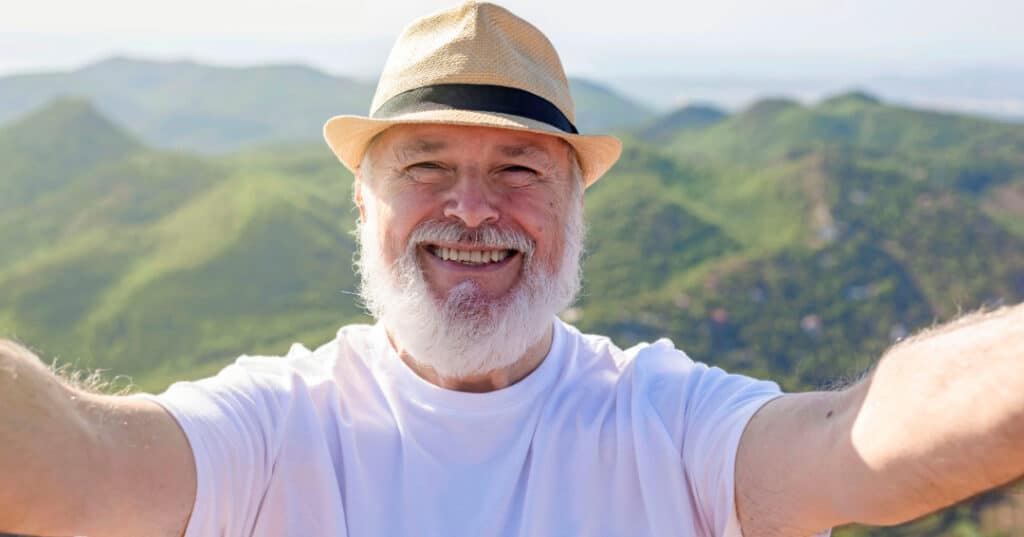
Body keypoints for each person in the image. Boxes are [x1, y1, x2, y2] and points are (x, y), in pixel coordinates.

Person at [1, 2, 1022, 537]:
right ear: (364, 201)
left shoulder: (666, 426)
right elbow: (75, 466)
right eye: (427, 167)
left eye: (519, 169)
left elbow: (855, 438)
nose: (474, 208)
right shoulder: (273, 430)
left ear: (574, 208)